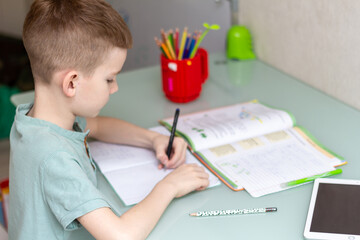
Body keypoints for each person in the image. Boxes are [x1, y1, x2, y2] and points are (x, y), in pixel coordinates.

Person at [8, 0, 210, 239]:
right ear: (71, 83)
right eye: (109, 79)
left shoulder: (38, 119)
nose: (115, 88)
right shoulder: (54, 158)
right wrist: (170, 185)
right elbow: (121, 236)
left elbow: (98, 126)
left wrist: (153, 139)